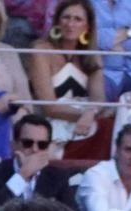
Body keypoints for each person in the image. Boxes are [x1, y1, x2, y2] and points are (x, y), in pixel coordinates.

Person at [28, 0, 105, 156]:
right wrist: (84, 115)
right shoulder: (41, 50)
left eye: (78, 19)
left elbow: (99, 99)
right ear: (57, 22)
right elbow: (49, 107)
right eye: (66, 17)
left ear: (87, 26)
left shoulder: (92, 55)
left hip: (85, 121)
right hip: (51, 120)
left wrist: (90, 113)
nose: (71, 24)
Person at [0, 112, 81, 211]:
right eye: (27, 143)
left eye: (42, 145)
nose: (35, 149)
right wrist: (22, 176)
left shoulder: (58, 177)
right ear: (14, 145)